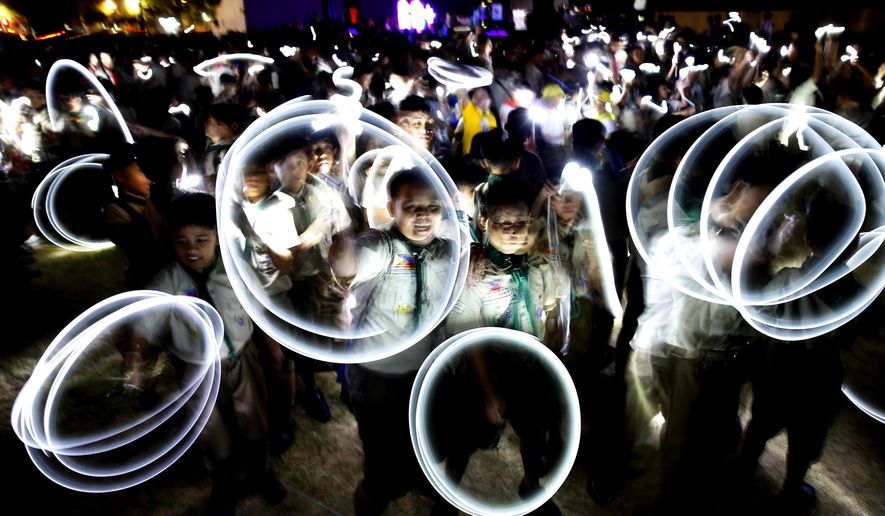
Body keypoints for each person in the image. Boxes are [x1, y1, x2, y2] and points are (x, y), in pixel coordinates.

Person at [132, 193, 286, 514]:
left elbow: (259, 310)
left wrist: (272, 347)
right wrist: (138, 364)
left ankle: (260, 472)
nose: (192, 249)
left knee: (254, 418)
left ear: (218, 237)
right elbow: (144, 328)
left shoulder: (235, 271)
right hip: (196, 371)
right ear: (170, 243)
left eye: (202, 239)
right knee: (211, 429)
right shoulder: (167, 282)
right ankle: (225, 482)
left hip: (241, 359)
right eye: (182, 241)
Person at [331, 168, 455, 515]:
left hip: (423, 372)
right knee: (380, 464)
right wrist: (341, 253)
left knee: (421, 443)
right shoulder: (381, 245)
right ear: (391, 206)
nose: (422, 215)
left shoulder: (448, 252)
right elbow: (352, 263)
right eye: (411, 205)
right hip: (376, 375)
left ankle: (414, 477)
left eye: (432, 207)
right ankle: (373, 500)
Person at [102, 146, 164, 290]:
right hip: (146, 280)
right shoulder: (116, 212)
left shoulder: (153, 200)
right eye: (140, 171)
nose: (148, 179)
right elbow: (136, 244)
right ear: (120, 176)